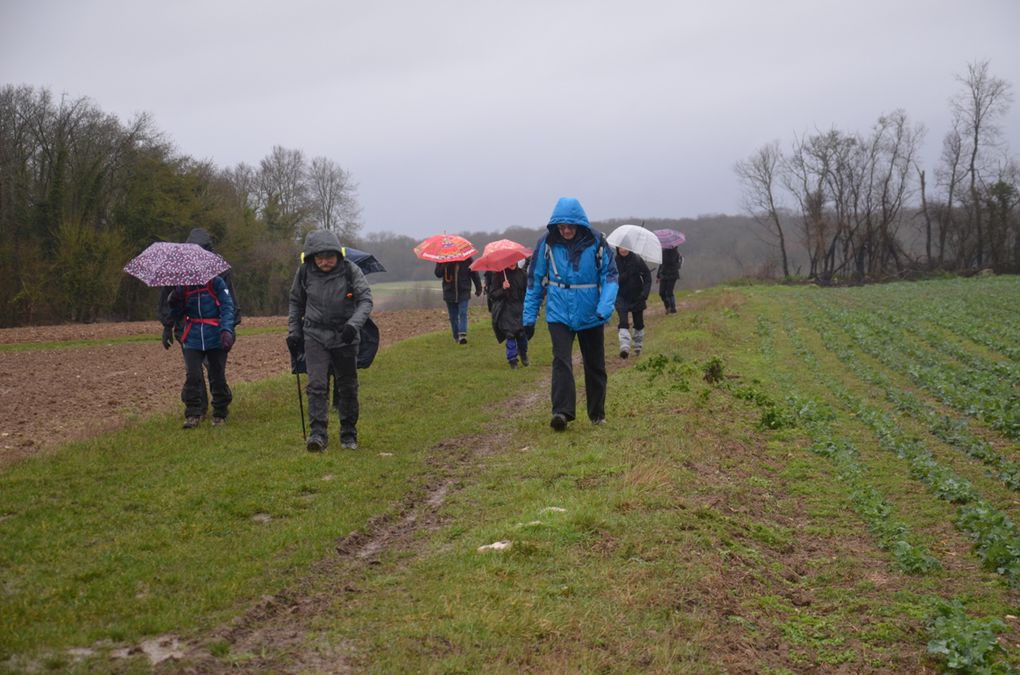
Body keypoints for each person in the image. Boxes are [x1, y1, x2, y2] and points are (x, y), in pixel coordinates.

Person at [523, 197, 618, 431]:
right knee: (561, 361)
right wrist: (528, 317)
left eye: (570, 226)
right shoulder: (545, 244)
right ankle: (561, 413)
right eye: (561, 226)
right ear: (555, 225)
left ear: (579, 224)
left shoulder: (597, 242)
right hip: (559, 313)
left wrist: (604, 308)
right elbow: (535, 281)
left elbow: (610, 277)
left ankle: (597, 414)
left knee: (594, 365)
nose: (565, 230)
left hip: (591, 314)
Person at [287, 231, 373, 452]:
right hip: (314, 335)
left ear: (338, 255)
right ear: (312, 257)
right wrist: (294, 332)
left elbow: (365, 300)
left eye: (329, 257)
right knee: (316, 385)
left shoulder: (350, 270)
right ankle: (317, 434)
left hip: (345, 336)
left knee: (347, 386)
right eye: (319, 257)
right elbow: (296, 302)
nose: (324, 261)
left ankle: (348, 433)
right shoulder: (305, 272)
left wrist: (353, 326)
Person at [165, 270, 237, 429]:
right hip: (193, 338)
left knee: (217, 376)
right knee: (193, 375)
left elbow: (227, 307)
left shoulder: (217, 283)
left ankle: (220, 413)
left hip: (215, 337)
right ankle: (192, 413)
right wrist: (174, 302)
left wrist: (226, 331)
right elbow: (178, 315)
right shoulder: (184, 287)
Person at [483, 259, 529, 369]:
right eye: (509, 262)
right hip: (505, 309)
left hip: (520, 308)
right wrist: (503, 289)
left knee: (522, 334)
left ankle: (523, 353)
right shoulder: (498, 275)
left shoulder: (523, 274)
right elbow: (492, 295)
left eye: (514, 261)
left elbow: (529, 291)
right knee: (510, 334)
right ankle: (512, 359)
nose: (512, 263)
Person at [614, 246, 652, 359]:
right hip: (621, 296)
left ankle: (637, 346)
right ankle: (624, 347)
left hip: (637, 296)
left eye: (625, 247)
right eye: (620, 248)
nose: (623, 250)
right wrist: (621, 278)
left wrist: (644, 294)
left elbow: (647, 277)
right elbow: (610, 277)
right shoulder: (614, 261)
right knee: (623, 322)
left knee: (638, 323)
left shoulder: (637, 259)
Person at [435, 257, 482, 344]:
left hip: (464, 290)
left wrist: (478, 287)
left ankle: (462, 335)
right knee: (453, 317)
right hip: (449, 292)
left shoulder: (467, 259)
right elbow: (438, 273)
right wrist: (444, 265)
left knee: (463, 313)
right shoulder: (442, 259)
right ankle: (456, 336)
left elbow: (474, 273)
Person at [657, 246, 682, 313]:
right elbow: (660, 264)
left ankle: (673, 308)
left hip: (672, 274)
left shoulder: (675, 253)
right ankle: (667, 306)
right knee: (661, 293)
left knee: (669, 292)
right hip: (663, 274)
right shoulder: (662, 252)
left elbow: (672, 262)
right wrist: (658, 276)